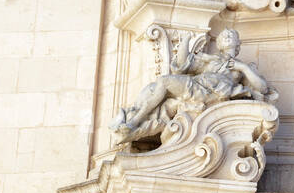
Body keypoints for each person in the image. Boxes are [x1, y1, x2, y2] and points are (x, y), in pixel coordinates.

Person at [111, 28, 276, 145]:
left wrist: (243, 68)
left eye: (231, 34)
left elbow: (261, 88)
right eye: (224, 34)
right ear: (218, 44)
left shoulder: (244, 66)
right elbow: (182, 64)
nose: (226, 34)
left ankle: (134, 121)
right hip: (198, 85)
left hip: (209, 93)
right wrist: (186, 41)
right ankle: (131, 120)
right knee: (152, 89)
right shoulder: (210, 60)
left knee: (163, 82)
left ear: (237, 44)